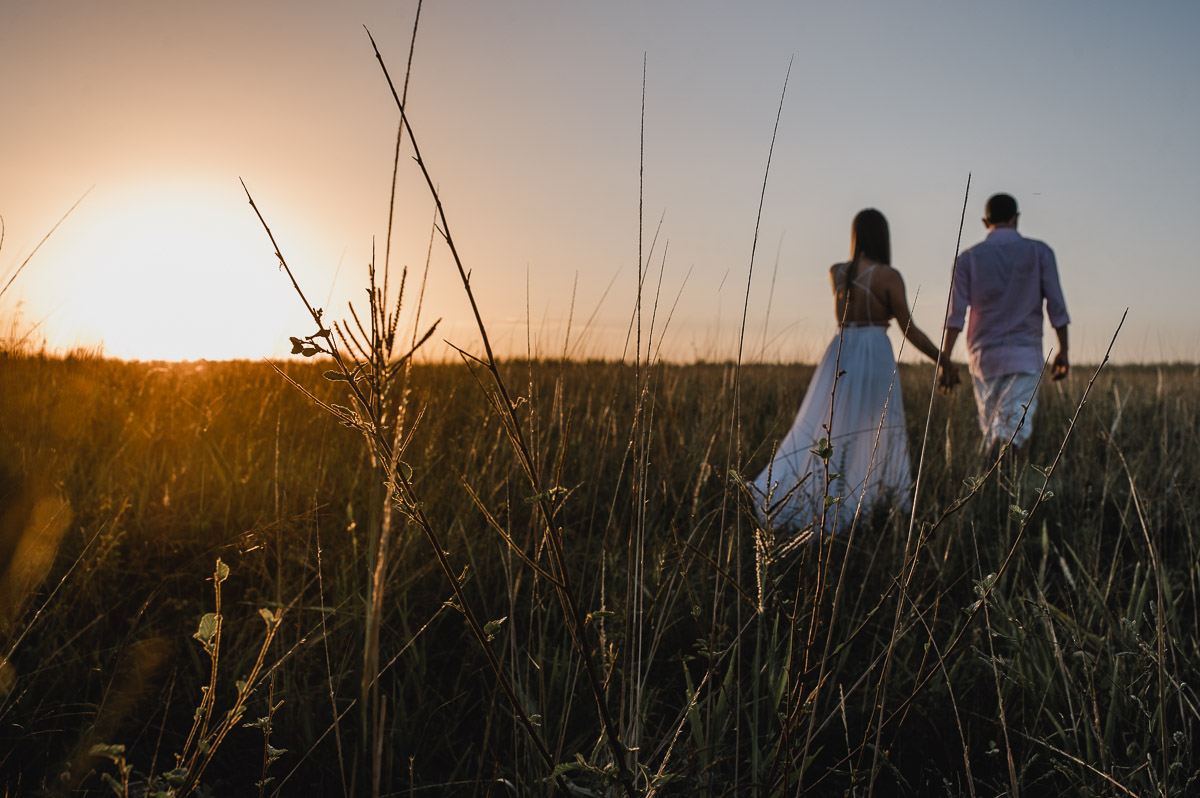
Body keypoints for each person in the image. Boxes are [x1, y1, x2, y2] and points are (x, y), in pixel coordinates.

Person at [751, 209, 957, 534]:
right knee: (879, 428)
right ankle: (871, 499)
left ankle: (825, 496)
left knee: (832, 425)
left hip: (841, 350)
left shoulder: (837, 272)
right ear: (883, 236)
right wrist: (943, 360)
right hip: (875, 352)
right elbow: (909, 330)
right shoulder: (889, 276)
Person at [941, 193, 1069, 457]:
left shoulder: (967, 259)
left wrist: (945, 360)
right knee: (1010, 434)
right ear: (1016, 218)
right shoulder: (1040, 252)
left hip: (983, 358)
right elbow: (1056, 305)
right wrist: (1063, 349)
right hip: (1025, 356)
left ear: (985, 221)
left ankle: (989, 490)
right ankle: (994, 489)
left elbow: (955, 316)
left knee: (994, 430)